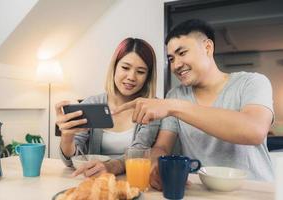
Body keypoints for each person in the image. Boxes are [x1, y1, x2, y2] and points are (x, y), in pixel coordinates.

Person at [113, 19, 274, 190]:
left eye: (182, 53)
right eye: (171, 58)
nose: (176, 65)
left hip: (255, 191)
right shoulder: (175, 95)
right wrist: (156, 163)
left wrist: (174, 107)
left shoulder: (252, 82)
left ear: (207, 48)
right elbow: (162, 147)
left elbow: (254, 130)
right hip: (199, 191)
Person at [55, 37, 160, 177]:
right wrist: (67, 137)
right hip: (94, 179)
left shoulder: (152, 108)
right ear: (114, 67)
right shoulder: (91, 103)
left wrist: (110, 167)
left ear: (148, 77)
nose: (131, 77)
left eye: (140, 72)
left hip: (134, 180)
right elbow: (70, 162)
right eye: (125, 68)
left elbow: (138, 152)